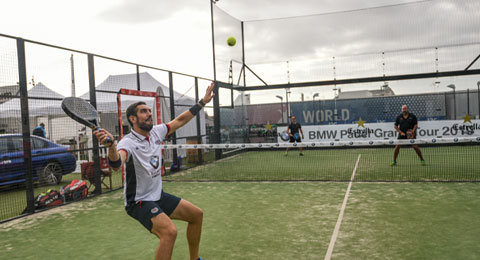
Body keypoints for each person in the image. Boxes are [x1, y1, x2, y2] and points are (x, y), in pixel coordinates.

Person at [93, 82, 215, 260]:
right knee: (169, 233)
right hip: (139, 201)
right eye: (144, 112)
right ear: (133, 119)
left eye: (149, 111)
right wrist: (111, 146)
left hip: (157, 195)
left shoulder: (157, 132)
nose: (149, 114)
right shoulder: (128, 142)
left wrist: (202, 102)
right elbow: (117, 164)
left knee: (196, 215)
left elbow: (180, 120)